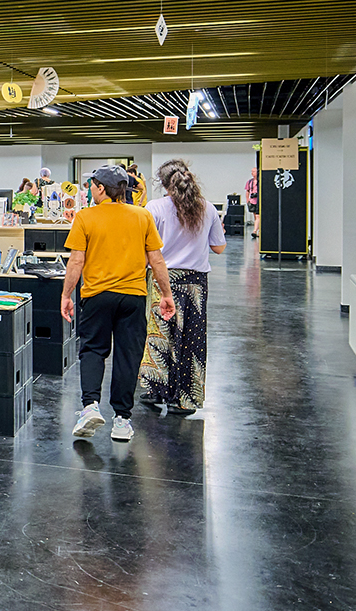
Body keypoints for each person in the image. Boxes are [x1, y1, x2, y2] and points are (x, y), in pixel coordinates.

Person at [61, 164, 176, 443]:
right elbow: (157, 260)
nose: (89, 189)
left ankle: (90, 407)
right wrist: (166, 294)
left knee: (92, 350)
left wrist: (66, 294)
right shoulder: (142, 216)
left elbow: (77, 261)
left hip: (96, 296)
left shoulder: (86, 217)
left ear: (101, 188)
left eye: (91, 185)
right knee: (128, 356)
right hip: (133, 297)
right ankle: (122, 420)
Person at [138, 159, 226, 415]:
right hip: (196, 283)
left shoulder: (153, 208)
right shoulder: (207, 208)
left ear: (163, 183)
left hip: (162, 278)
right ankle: (186, 399)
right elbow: (219, 247)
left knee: (159, 335)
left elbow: (146, 250)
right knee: (191, 339)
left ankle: (155, 389)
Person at [245, 167, 260, 239]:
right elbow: (247, 191)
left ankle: (256, 230)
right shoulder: (250, 181)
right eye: (251, 172)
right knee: (256, 216)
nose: (252, 173)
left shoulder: (260, 181)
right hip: (253, 201)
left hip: (259, 200)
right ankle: (257, 231)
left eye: (253, 171)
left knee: (258, 216)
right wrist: (248, 200)